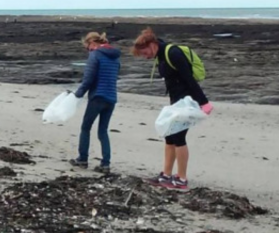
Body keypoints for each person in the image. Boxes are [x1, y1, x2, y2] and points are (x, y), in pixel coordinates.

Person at [132, 28, 213, 191]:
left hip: (187, 102)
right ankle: (166, 175)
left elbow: (189, 79)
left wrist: (204, 103)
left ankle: (182, 179)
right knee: (169, 136)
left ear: (152, 44)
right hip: (175, 102)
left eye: (145, 52)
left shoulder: (173, 53)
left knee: (178, 138)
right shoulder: (160, 56)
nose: (145, 56)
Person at [69, 32, 120, 173]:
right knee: (103, 130)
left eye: (88, 47)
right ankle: (105, 163)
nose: (89, 51)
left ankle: (82, 159)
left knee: (86, 127)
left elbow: (88, 79)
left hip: (97, 97)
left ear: (92, 43)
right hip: (111, 97)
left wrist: (77, 95)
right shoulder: (115, 57)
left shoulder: (95, 55)